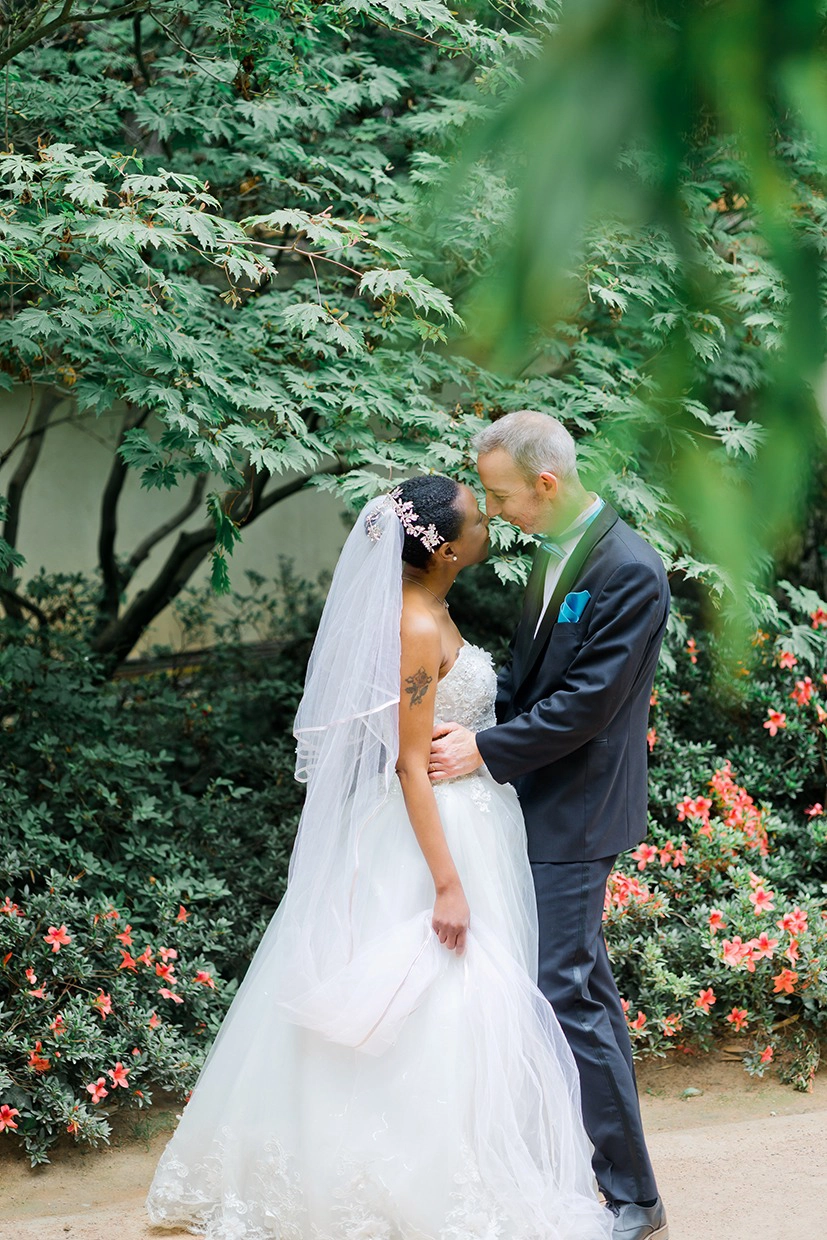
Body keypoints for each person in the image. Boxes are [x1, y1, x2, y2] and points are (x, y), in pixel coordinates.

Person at [146, 474, 612, 1240]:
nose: (488, 521)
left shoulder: (434, 605)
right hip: (432, 837)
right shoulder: (414, 626)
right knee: (435, 1003)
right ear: (444, 545)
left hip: (472, 817)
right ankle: (395, 1181)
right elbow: (406, 763)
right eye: (476, 515)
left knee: (460, 1011)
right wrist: (447, 884)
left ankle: (454, 1161)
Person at [429, 411, 670, 1240]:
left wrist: (481, 751)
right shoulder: (555, 554)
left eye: (499, 496)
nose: (491, 514)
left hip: (577, 809)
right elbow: (537, 683)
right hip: (531, 802)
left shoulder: (629, 567)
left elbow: (587, 703)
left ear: (545, 483)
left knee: (563, 991)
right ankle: (608, 1176)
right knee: (581, 991)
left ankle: (633, 1200)